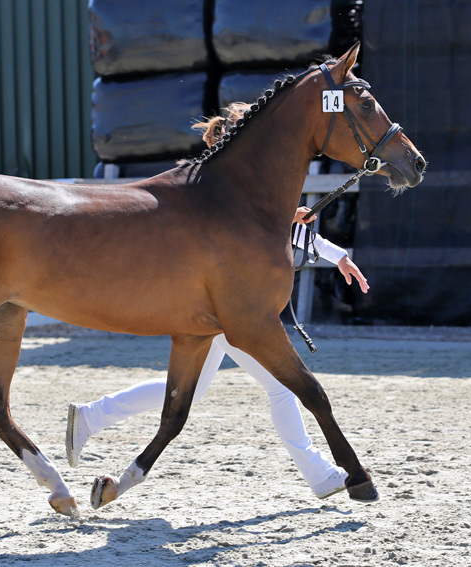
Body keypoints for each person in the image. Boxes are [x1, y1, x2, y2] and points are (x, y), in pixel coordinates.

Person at [66, 102, 369, 498]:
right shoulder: (226, 189)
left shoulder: (236, 188)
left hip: (218, 308)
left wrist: (335, 254)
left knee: (192, 389)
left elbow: (270, 235)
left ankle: (91, 416)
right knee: (280, 388)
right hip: (227, 309)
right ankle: (320, 475)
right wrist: (330, 250)